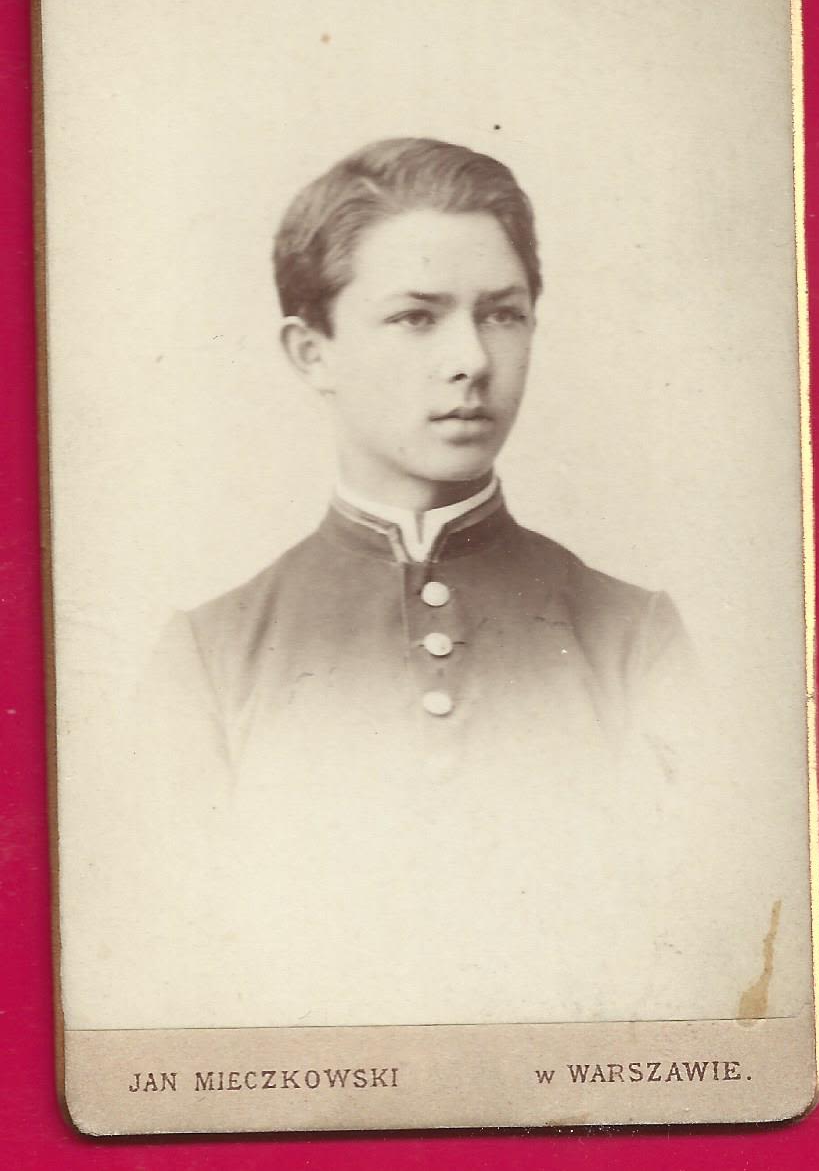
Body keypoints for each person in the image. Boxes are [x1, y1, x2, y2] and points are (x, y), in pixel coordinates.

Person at [127, 138, 712, 1030]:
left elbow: (692, 954)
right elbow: (173, 975)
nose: (471, 358)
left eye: (502, 314)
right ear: (311, 352)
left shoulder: (632, 638)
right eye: (415, 318)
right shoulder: (209, 658)